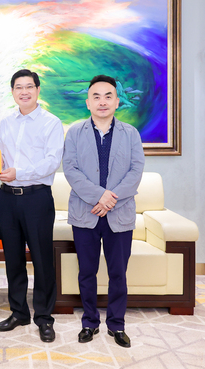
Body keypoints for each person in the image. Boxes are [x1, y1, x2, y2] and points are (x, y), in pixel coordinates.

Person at [62, 74, 144, 348]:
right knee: (87, 272)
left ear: (117, 101)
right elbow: (70, 169)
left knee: (118, 273)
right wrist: (99, 196)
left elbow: (136, 171)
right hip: (85, 213)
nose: (102, 101)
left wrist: (110, 200)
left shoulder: (131, 134)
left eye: (108, 96)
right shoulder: (75, 132)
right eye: (96, 96)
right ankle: (89, 322)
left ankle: (117, 325)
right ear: (88, 102)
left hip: (119, 215)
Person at [0, 69, 64, 343]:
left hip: (37, 198)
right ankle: (19, 312)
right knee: (13, 258)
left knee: (42, 260)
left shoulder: (51, 122)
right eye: (18, 87)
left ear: (37, 90)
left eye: (29, 87)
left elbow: (51, 162)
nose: (24, 92)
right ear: (12, 92)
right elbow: (1, 158)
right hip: (6, 197)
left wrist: (18, 172)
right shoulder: (5, 123)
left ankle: (44, 318)